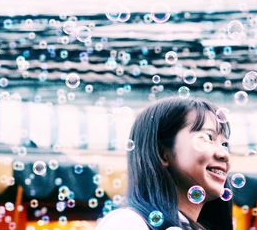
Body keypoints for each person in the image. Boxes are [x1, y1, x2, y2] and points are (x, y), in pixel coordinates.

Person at [95, 97, 233, 230]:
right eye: (208, 137)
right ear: (162, 153)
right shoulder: (127, 223)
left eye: (224, 144)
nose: (224, 154)